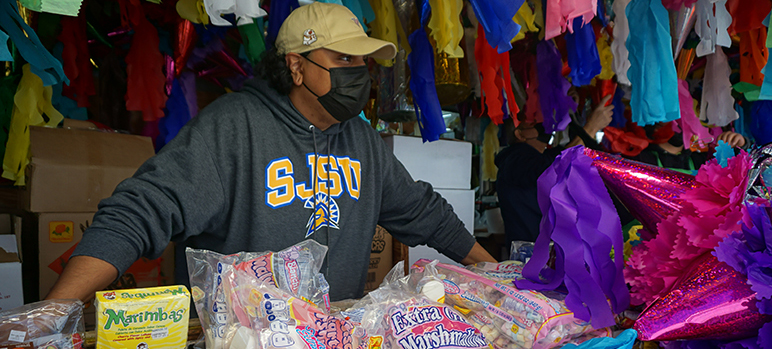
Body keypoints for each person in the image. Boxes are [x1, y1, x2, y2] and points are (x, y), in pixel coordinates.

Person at [45, 2, 496, 303]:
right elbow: (140, 211)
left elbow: (424, 212)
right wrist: (54, 311)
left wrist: (498, 277)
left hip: (330, 336)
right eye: (343, 60)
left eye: (363, 63)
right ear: (296, 66)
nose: (360, 74)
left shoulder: (360, 140)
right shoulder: (234, 126)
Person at [496, 95, 615, 246]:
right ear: (520, 134)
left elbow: (567, 158)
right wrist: (591, 128)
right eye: (534, 123)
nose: (542, 125)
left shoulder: (541, 157)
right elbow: (557, 167)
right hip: (531, 252)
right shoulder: (515, 159)